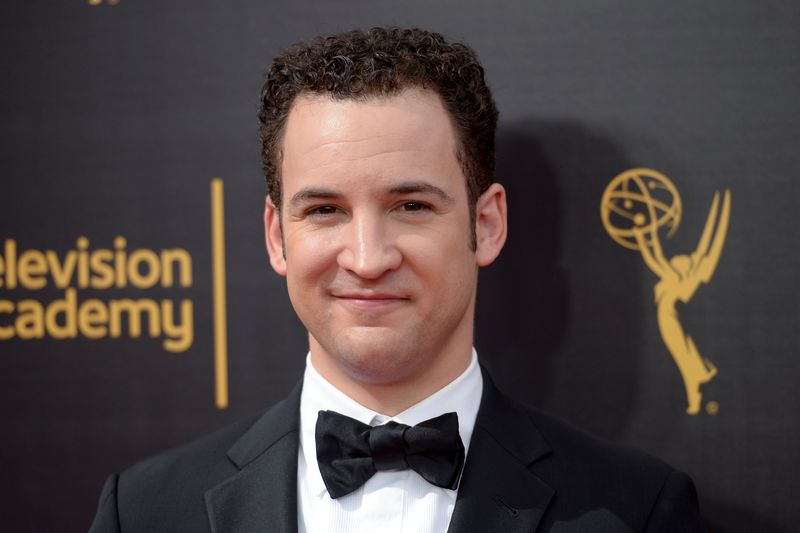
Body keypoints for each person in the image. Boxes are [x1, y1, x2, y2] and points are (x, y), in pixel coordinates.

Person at [89, 27, 705, 532]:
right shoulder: (143, 512)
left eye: (410, 206)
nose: (367, 257)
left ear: (486, 225)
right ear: (278, 236)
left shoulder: (639, 512)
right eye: (325, 210)